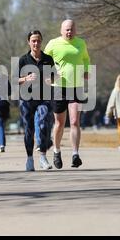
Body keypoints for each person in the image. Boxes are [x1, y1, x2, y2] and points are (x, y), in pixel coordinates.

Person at [44, 19, 90, 169]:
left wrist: (87, 70)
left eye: (71, 29)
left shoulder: (81, 43)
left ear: (75, 30)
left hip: (77, 86)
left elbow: (85, 58)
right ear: (61, 31)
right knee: (59, 123)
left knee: (75, 121)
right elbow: (44, 60)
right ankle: (57, 151)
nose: (69, 32)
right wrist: (48, 74)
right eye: (67, 30)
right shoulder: (53, 43)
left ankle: (75, 154)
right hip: (59, 87)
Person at [18, 30, 55, 171]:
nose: (36, 43)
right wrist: (26, 79)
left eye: (38, 40)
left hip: (44, 97)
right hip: (26, 99)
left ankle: (43, 157)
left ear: (41, 42)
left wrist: (50, 79)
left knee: (44, 122)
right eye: (33, 40)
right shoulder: (23, 60)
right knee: (29, 129)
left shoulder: (48, 59)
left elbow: (54, 77)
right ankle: (29, 159)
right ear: (29, 42)